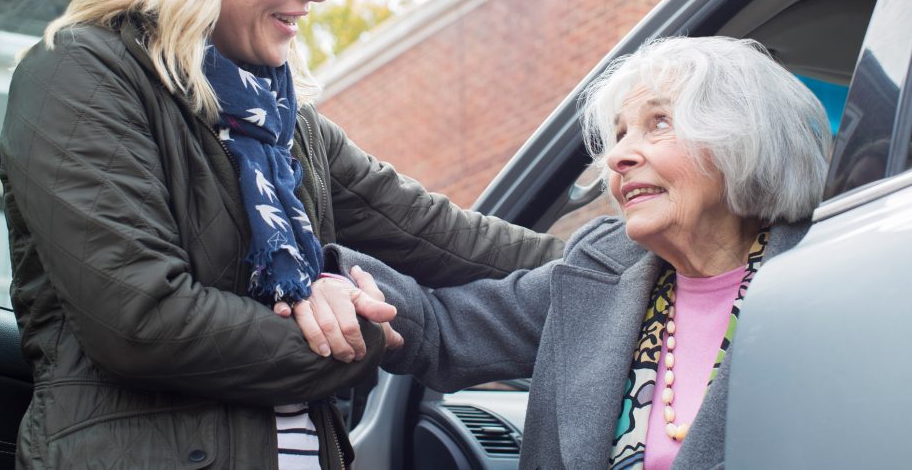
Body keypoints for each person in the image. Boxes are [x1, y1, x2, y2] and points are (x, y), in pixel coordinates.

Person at [0, 0, 562, 469]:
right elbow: (144, 322)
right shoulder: (83, 75)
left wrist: (640, 264)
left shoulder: (283, 123)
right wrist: (366, 333)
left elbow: (443, 239)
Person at [315, 36, 832, 470]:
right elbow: (446, 330)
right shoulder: (601, 269)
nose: (621, 155)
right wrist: (330, 282)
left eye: (659, 123)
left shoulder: (824, 277)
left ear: (743, 140)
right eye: (620, 133)